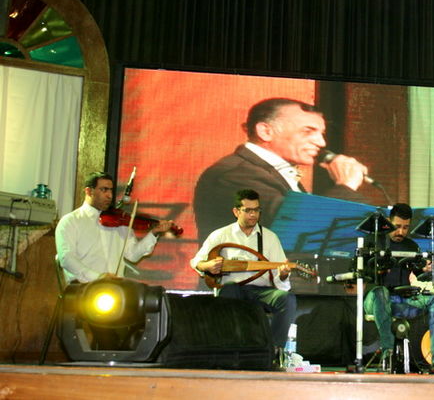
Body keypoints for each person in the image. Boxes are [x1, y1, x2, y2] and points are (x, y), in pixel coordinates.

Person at [194, 98, 369, 242]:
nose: (321, 142)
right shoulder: (234, 175)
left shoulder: (270, 172)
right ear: (266, 132)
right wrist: (345, 185)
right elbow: (293, 226)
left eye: (321, 134)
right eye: (308, 131)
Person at [190, 189, 297, 350]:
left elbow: (280, 277)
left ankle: (274, 350)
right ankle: (228, 349)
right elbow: (196, 262)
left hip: (261, 292)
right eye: (248, 210)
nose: (253, 214)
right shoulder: (221, 235)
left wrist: (282, 275)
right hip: (233, 290)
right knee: (229, 290)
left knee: (287, 299)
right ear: (236, 211)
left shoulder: (270, 237)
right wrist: (208, 266)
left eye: (256, 210)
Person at [362, 203, 434, 372]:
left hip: (403, 301)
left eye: (405, 227)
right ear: (388, 221)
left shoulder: (411, 246)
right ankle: (388, 351)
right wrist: (378, 269)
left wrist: (424, 269)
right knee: (381, 292)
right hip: (376, 300)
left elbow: (416, 271)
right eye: (397, 226)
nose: (401, 232)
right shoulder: (374, 242)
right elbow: (362, 272)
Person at [56, 171, 175, 284]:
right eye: (104, 190)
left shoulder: (119, 221)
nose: (110, 195)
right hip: (82, 288)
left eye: (111, 190)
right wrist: (97, 277)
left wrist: (154, 233)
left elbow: (133, 255)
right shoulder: (70, 221)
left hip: (114, 289)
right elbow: (66, 258)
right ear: (89, 191)